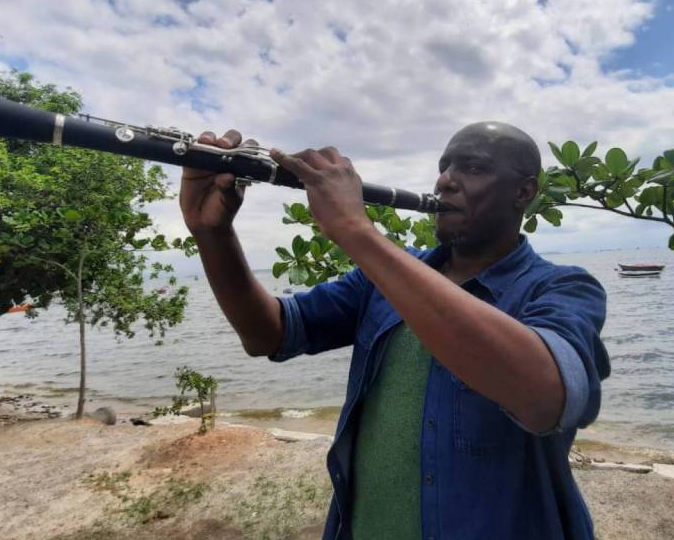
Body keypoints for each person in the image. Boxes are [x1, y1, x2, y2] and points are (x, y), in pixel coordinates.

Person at [180, 121, 610, 539]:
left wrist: (356, 231)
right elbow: (268, 334)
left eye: (473, 168)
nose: (446, 181)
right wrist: (212, 234)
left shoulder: (563, 288)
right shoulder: (380, 278)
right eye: (444, 167)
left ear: (524, 192)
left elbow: (546, 395)